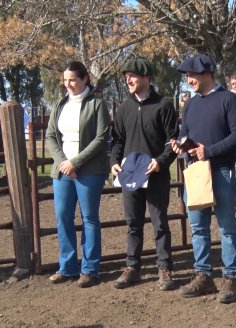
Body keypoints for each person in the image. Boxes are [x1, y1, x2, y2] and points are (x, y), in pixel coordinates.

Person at [171, 54, 236, 304]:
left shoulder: (229, 100)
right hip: (196, 172)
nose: (188, 79)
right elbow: (183, 133)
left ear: (207, 74)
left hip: (221, 171)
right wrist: (180, 145)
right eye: (187, 76)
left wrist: (208, 150)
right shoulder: (190, 105)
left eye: (192, 74)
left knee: (226, 226)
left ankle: (230, 278)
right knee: (198, 227)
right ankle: (204, 275)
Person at [110, 58, 179, 291]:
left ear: (146, 78)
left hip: (156, 176)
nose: (128, 80)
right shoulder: (124, 108)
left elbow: (173, 143)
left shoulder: (163, 106)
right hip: (130, 176)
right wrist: (114, 163)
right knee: (133, 223)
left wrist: (161, 162)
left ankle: (165, 267)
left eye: (133, 76)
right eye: (126, 77)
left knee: (160, 223)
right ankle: (132, 267)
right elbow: (117, 141)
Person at [46, 61, 111, 287]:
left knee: (89, 218)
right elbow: (51, 136)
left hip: (90, 170)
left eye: (73, 79)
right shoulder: (59, 105)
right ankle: (68, 267)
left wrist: (76, 162)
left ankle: (90, 269)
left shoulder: (97, 105)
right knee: (63, 216)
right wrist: (63, 162)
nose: (68, 84)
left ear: (85, 79)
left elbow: (101, 138)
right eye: (65, 80)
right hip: (63, 171)